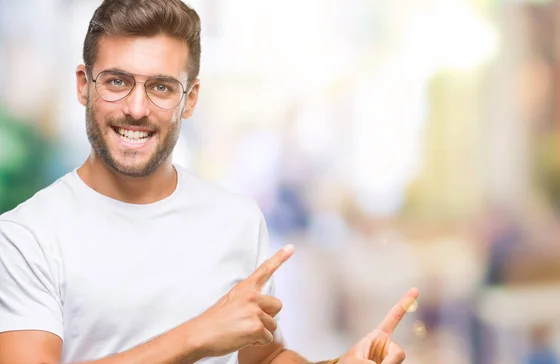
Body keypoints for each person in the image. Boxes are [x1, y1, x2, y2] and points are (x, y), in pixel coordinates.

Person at [0, 1, 419, 363]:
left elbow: (264, 357)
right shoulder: (26, 236)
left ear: (190, 99)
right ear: (83, 86)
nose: (136, 107)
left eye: (161, 87)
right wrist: (198, 335)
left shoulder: (234, 219)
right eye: (116, 81)